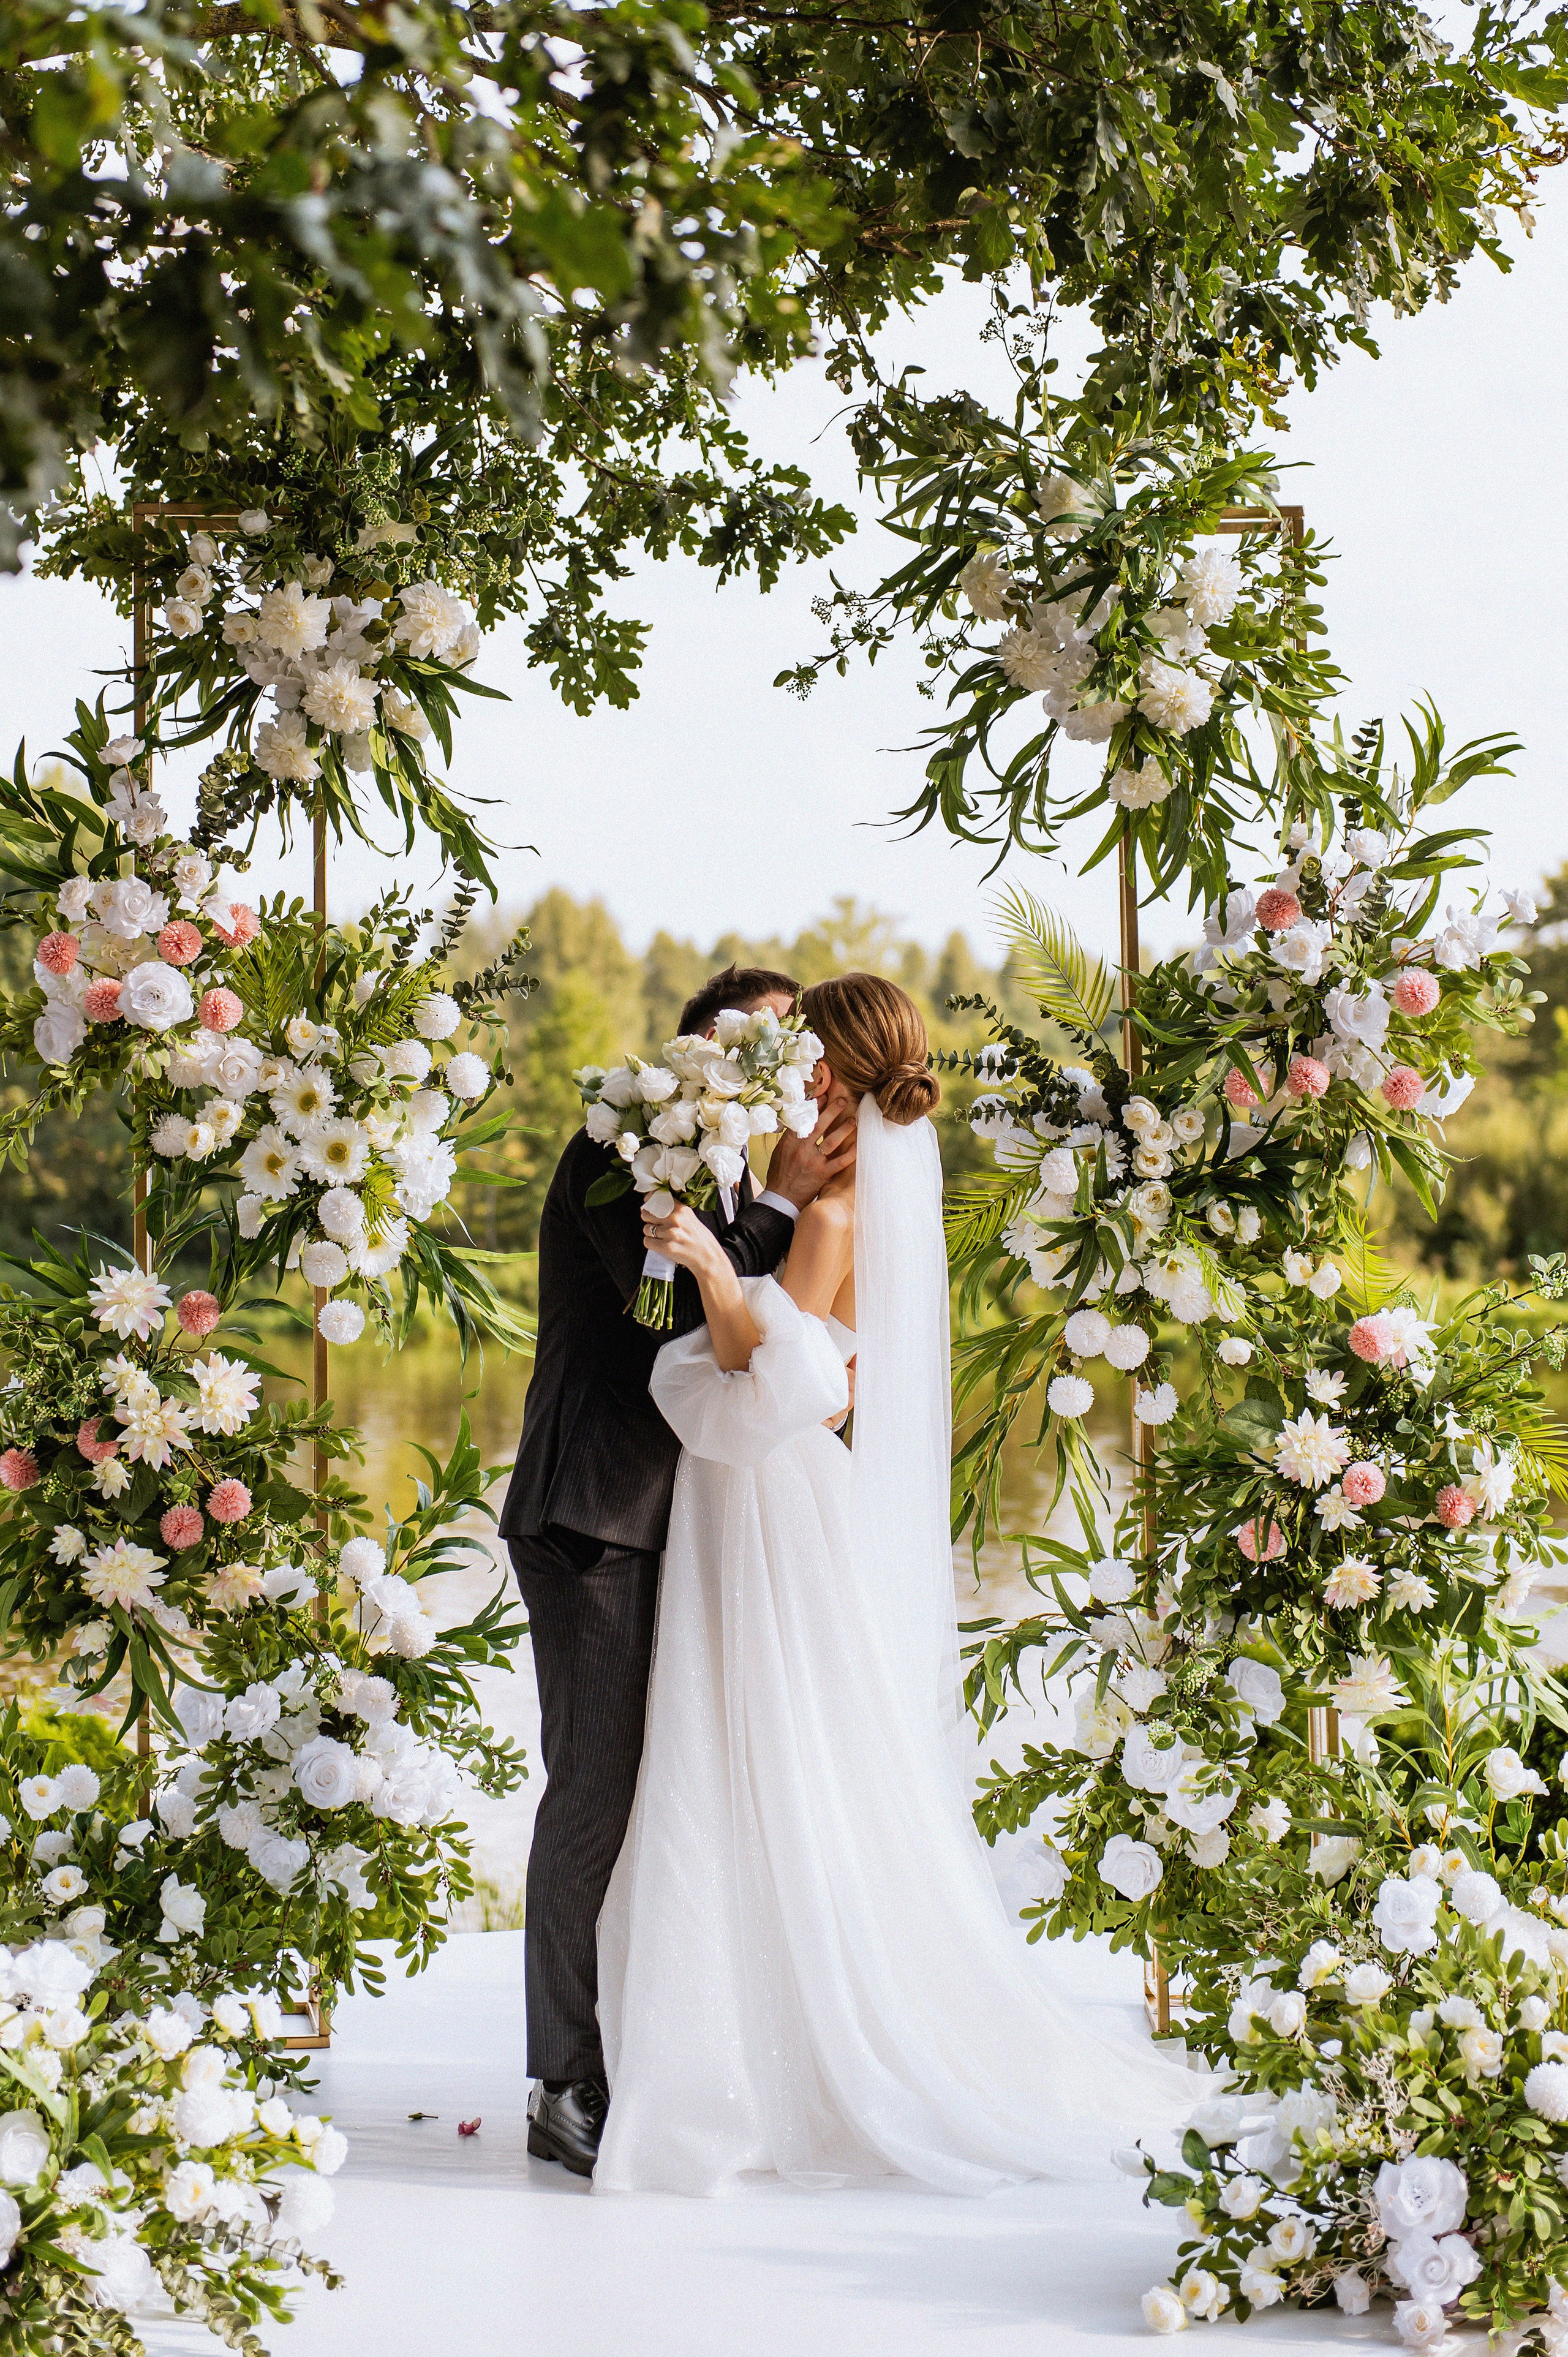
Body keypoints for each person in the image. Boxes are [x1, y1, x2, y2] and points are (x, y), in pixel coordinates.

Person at [594, 971, 1191, 2195]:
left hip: (761, 1489)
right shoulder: (854, 1184)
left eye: (805, 1056)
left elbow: (778, 1376)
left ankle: (768, 2052)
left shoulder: (835, 1214)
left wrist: (712, 1269)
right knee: (779, 1749)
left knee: (752, 1746)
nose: (791, 1077)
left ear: (842, 1069)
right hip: (777, 1487)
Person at [499, 964, 858, 2176]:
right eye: (751, 1044)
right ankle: (562, 2079)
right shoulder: (621, 1144)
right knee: (592, 1788)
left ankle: (639, 2045)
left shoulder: (734, 1174)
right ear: (702, 1040)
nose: (770, 1074)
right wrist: (779, 1210)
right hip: (590, 1512)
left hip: (665, 1520)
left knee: (653, 1792)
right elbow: (663, 1312)